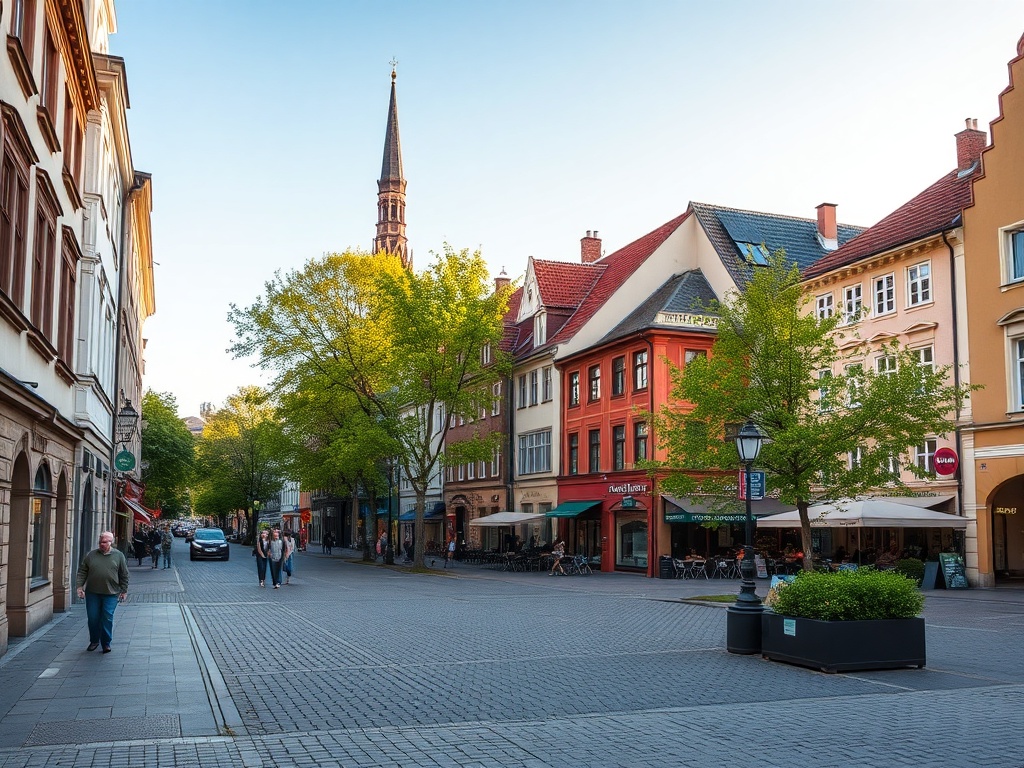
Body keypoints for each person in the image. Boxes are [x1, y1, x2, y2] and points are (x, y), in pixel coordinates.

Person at [76, 531, 129, 653]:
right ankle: (94, 640)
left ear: (111, 542)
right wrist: (79, 587)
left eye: (104, 542)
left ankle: (106, 643)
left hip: (111, 593)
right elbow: (83, 571)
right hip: (92, 593)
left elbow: (124, 574)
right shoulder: (91, 555)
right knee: (93, 617)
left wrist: (124, 590)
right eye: (100, 542)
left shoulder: (118, 556)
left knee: (107, 617)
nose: (101, 544)